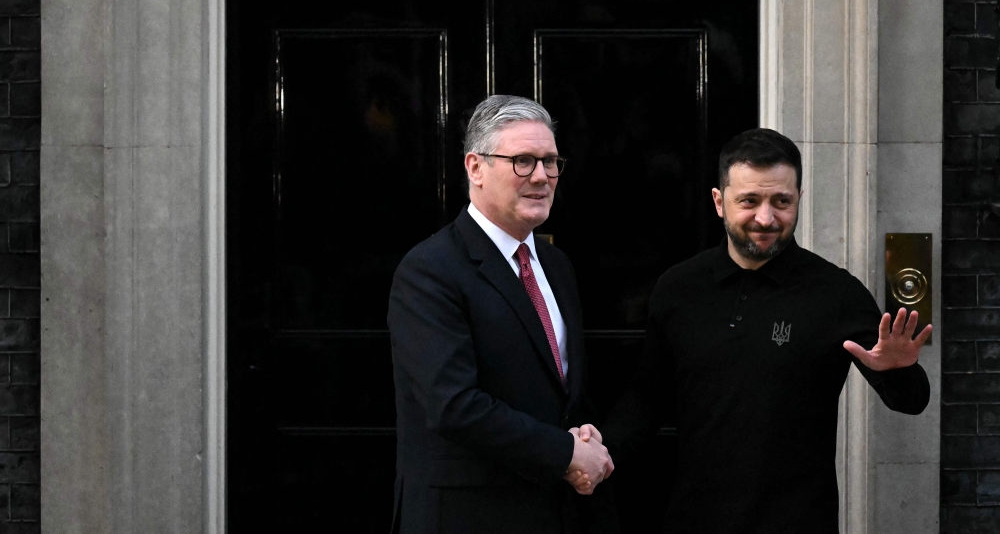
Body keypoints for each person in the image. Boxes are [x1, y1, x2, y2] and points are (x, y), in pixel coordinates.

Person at [577, 128, 931, 533]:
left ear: (798, 199)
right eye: (749, 201)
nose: (766, 218)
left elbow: (911, 401)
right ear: (719, 202)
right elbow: (648, 398)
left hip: (798, 521)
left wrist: (898, 370)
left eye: (782, 201)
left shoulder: (836, 293)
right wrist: (599, 450)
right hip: (694, 517)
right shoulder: (679, 288)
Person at [387, 95, 618, 534]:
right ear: (475, 168)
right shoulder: (430, 270)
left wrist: (586, 441)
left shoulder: (556, 265)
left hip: (556, 511)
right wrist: (565, 453)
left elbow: (562, 390)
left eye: (550, 162)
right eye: (523, 161)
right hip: (468, 516)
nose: (542, 176)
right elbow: (454, 406)